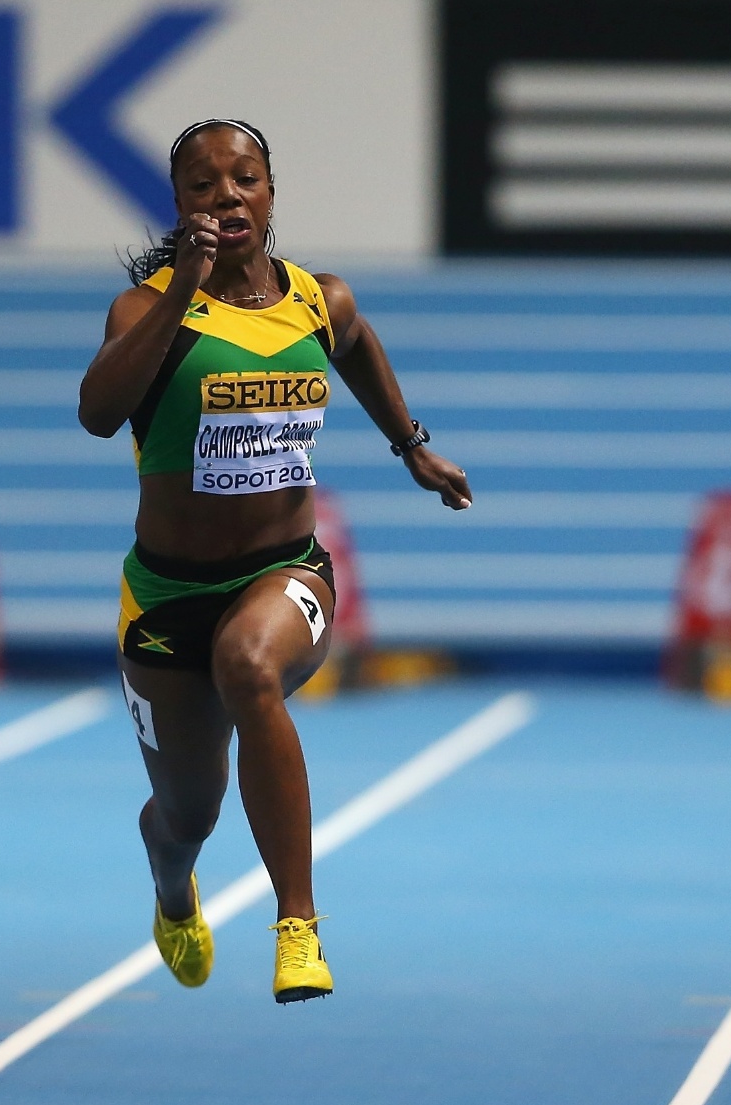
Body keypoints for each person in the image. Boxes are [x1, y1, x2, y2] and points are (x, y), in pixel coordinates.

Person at [78, 119, 471, 1003]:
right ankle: (173, 888)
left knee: (249, 665)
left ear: (270, 191)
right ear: (180, 208)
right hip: (167, 598)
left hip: (285, 572)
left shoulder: (316, 300)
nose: (227, 196)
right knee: (187, 814)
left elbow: (358, 344)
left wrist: (410, 446)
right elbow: (99, 413)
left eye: (244, 178)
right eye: (204, 186)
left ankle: (298, 927)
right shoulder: (145, 312)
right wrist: (181, 285)